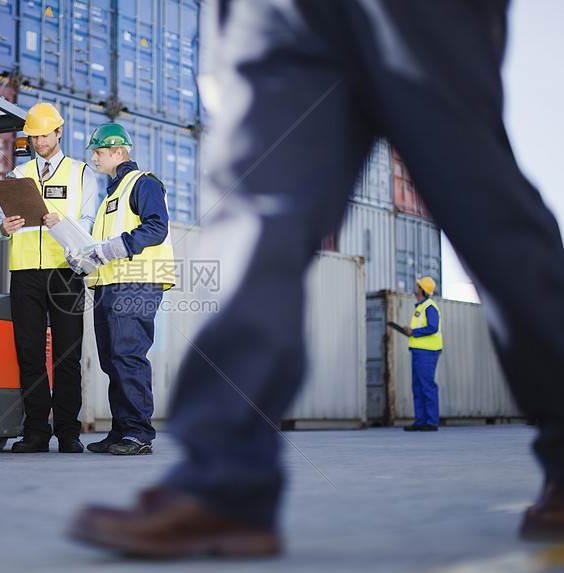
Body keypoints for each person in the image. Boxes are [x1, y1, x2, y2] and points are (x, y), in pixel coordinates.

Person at [69, 0, 564, 558]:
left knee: (483, 199)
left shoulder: (139, 184)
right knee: (254, 218)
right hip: (284, 17)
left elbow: (150, 230)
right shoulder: (107, 193)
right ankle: (223, 481)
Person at [62, 123, 175, 456]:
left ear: (118, 152)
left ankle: (139, 433)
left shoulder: (144, 183)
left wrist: (114, 247)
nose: (94, 158)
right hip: (108, 284)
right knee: (112, 361)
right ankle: (122, 429)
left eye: (99, 152)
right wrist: (82, 258)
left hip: (137, 282)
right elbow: (101, 245)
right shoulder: (111, 194)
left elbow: (156, 226)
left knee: (128, 356)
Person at [0, 102, 99, 454]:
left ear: (59, 131)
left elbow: (89, 224)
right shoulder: (16, 176)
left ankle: (68, 431)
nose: (38, 141)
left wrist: (63, 224)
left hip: (66, 272)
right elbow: (1, 227)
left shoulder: (81, 173)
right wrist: (4, 228)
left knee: (67, 355)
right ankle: (36, 431)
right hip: (24, 273)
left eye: (44, 135)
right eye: (33, 136)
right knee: (30, 355)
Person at [403, 277, 442, 432]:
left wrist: (414, 332)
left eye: (417, 285)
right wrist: (410, 332)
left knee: (427, 386)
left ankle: (431, 422)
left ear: (421, 289)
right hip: (418, 351)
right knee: (417, 387)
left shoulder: (429, 307)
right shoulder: (420, 307)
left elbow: (432, 327)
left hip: (428, 352)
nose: (415, 286)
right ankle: (420, 421)